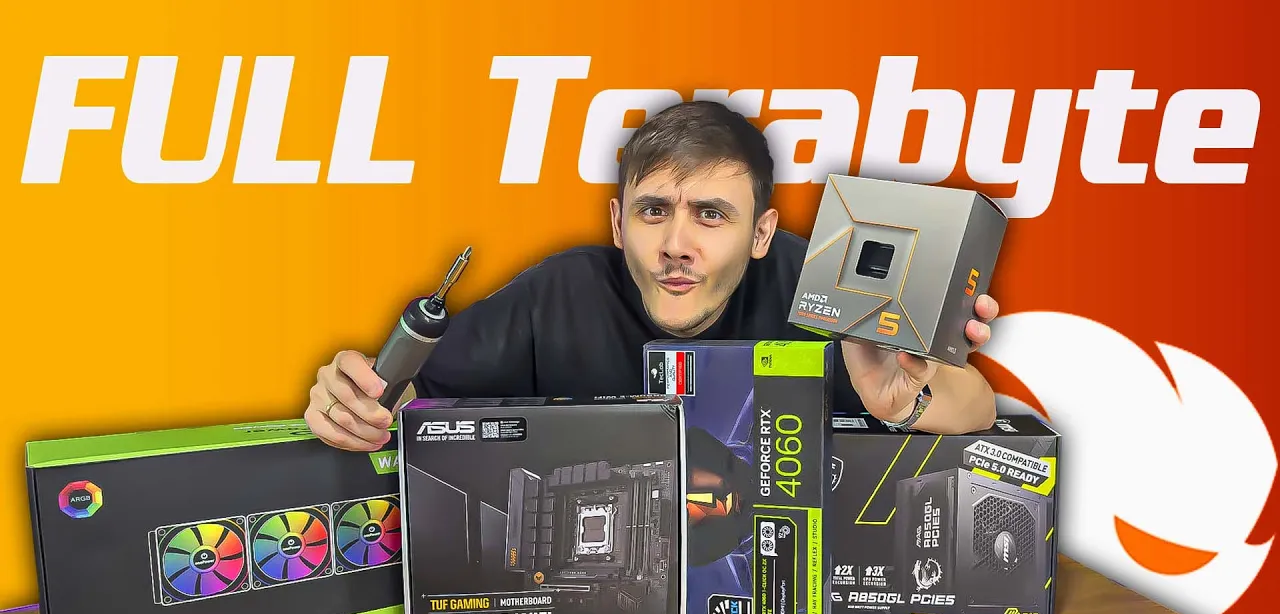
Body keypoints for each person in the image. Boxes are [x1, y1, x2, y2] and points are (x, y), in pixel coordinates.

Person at [304, 100, 1001, 452]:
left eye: (711, 215)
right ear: (618, 223)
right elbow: (410, 394)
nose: (676, 246)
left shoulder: (821, 289)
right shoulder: (559, 292)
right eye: (654, 210)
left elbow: (978, 409)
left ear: (762, 234)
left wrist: (901, 402)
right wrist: (358, 404)